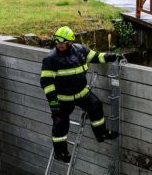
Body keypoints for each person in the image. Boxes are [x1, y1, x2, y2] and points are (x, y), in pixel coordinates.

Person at [39, 26, 121, 163]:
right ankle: (60, 153)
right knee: (60, 123)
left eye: (62, 42)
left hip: (81, 93)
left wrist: (111, 57)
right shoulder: (50, 59)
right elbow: (46, 83)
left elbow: (96, 56)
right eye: (57, 42)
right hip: (63, 99)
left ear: (70, 42)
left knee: (95, 105)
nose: (59, 45)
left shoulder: (80, 50)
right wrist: (53, 103)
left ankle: (102, 134)